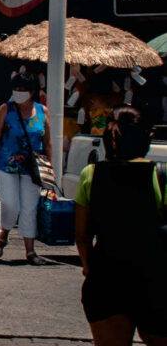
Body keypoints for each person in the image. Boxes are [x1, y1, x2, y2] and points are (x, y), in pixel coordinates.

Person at [75, 106, 167, 346]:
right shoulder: (160, 175)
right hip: (153, 280)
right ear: (147, 138)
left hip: (107, 278)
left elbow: (82, 236)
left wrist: (88, 267)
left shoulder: (90, 174)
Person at [0, 72, 53, 265]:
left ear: (32, 91)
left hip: (33, 168)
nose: (19, 93)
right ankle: (4, 235)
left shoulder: (43, 111)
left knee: (29, 208)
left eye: (23, 90)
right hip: (6, 165)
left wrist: (50, 167)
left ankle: (30, 251)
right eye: (16, 89)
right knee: (10, 204)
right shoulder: (6, 109)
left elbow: (48, 142)